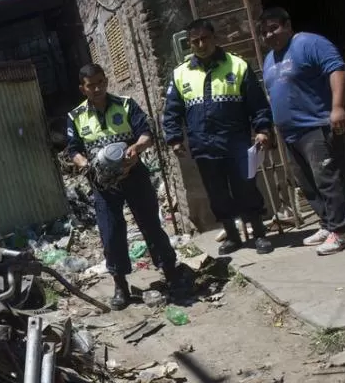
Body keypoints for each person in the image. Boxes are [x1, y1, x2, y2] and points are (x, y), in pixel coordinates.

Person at [66, 63, 182, 310]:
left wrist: (136, 148)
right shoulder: (75, 116)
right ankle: (120, 286)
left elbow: (146, 132)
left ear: (106, 81)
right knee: (111, 232)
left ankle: (171, 274)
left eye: (100, 82)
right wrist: (86, 164)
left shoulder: (126, 104)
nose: (97, 88)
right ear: (82, 88)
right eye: (90, 85)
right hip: (102, 183)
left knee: (150, 224)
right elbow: (73, 149)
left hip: (134, 175)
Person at [163, 19, 274, 255]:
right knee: (218, 194)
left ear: (214, 38)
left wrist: (263, 129)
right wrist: (174, 138)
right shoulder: (181, 73)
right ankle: (232, 237)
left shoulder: (238, 66)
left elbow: (258, 104)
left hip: (237, 141)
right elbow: (172, 110)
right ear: (190, 44)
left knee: (246, 188)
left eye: (205, 38)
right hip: (204, 145)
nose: (201, 44)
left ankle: (259, 234)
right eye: (195, 41)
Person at [260, 7, 345, 255]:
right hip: (290, 133)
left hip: (316, 126)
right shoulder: (270, 59)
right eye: (264, 32)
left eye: (274, 28)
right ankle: (327, 224)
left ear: (288, 25)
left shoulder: (310, 43)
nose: (269, 35)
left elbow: (337, 68)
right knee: (308, 184)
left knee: (328, 179)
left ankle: (341, 231)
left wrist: (338, 107)